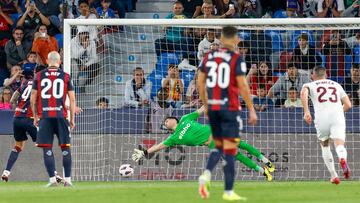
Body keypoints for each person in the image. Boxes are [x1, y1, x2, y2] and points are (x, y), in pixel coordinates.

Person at [197, 26, 257, 201]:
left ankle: (206, 174)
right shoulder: (236, 58)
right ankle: (228, 191)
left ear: (221, 39)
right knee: (230, 148)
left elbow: (200, 82)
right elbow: (242, 85)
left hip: (213, 107)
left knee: (218, 144)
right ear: (235, 39)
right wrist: (251, 109)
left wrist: (206, 104)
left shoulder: (208, 57)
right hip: (230, 108)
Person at [132, 107, 274, 180]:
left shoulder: (185, 119)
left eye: (166, 120)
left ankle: (265, 160)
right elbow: (159, 146)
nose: (165, 122)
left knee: (242, 144)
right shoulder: (174, 138)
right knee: (238, 156)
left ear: (173, 119)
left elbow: (201, 110)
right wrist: (145, 152)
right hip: (211, 144)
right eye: (164, 123)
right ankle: (262, 172)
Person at [1, 65, 62, 183]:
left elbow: (14, 98)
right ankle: (54, 175)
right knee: (46, 145)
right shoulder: (42, 85)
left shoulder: (26, 83)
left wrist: (17, 108)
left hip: (17, 118)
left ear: (34, 72)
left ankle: (6, 172)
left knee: (18, 146)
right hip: (30, 119)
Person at [30, 51, 76, 187]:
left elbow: (33, 99)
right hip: (61, 116)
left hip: (45, 116)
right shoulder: (66, 76)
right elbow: (72, 99)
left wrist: (35, 116)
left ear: (47, 60)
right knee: (66, 148)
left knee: (47, 149)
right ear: (60, 61)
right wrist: (72, 119)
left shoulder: (38, 76)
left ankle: (52, 180)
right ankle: (67, 180)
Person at [301, 66, 352, 185]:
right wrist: (338, 111)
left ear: (313, 75)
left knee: (324, 144)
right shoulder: (336, 85)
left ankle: (334, 176)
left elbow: (304, 93)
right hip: (337, 116)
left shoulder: (309, 84)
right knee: (339, 144)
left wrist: (306, 111)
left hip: (321, 117)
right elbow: (348, 105)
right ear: (326, 75)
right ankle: (342, 158)